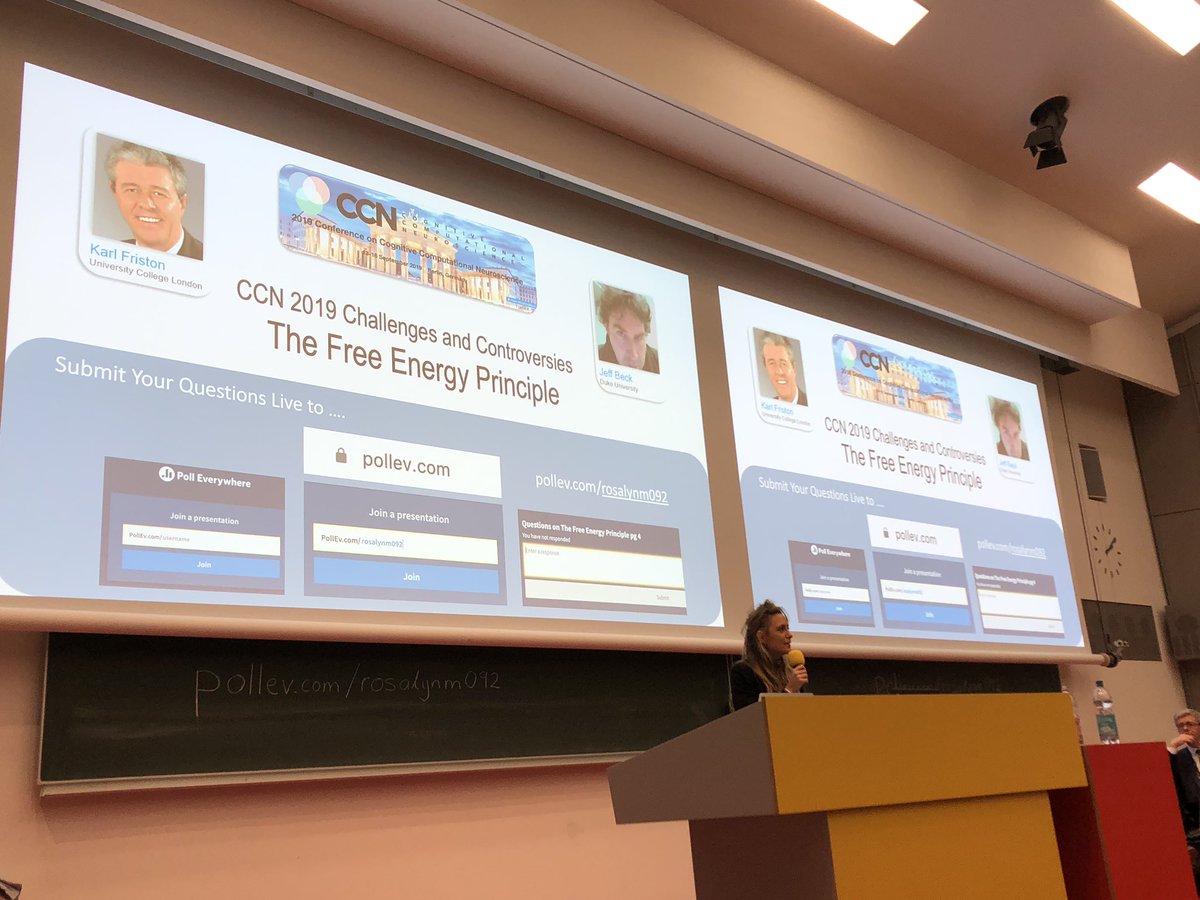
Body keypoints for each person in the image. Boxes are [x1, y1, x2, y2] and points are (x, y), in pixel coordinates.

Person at [105, 141, 204, 259]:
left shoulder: (210, 261)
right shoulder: (110, 254)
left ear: (182, 203)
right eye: (132, 190)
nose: (146, 204)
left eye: (158, 193)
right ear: (115, 192)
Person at [730, 600, 808, 711]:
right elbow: (750, 716)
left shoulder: (790, 670)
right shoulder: (743, 672)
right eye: (781, 629)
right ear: (762, 637)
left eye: (788, 628)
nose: (789, 635)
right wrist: (789, 691)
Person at [596, 286, 659, 373]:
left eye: (639, 337)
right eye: (621, 334)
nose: (634, 356)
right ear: (607, 327)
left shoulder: (659, 361)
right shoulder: (591, 358)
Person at [759, 332, 807, 405]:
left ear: (794, 368)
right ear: (766, 367)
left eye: (783, 363)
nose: (779, 371)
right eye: (772, 363)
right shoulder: (766, 405)